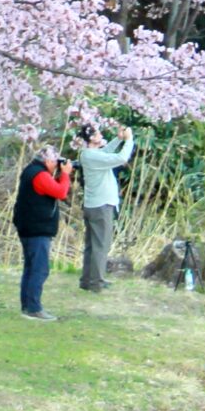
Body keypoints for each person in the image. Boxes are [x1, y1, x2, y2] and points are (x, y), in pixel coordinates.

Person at [11, 146, 73, 321]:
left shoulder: (31, 171)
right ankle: (33, 308)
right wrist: (66, 174)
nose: (57, 165)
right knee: (39, 269)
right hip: (36, 229)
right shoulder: (40, 175)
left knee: (31, 268)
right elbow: (61, 192)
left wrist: (60, 175)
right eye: (55, 161)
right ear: (47, 161)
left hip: (29, 227)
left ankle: (28, 306)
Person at [75, 121, 135, 293]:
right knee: (101, 245)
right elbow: (121, 158)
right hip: (101, 206)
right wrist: (129, 140)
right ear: (92, 138)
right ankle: (97, 282)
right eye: (98, 134)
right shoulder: (92, 156)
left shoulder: (89, 154)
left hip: (94, 205)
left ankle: (88, 280)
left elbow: (106, 152)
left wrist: (118, 140)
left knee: (92, 245)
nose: (101, 135)